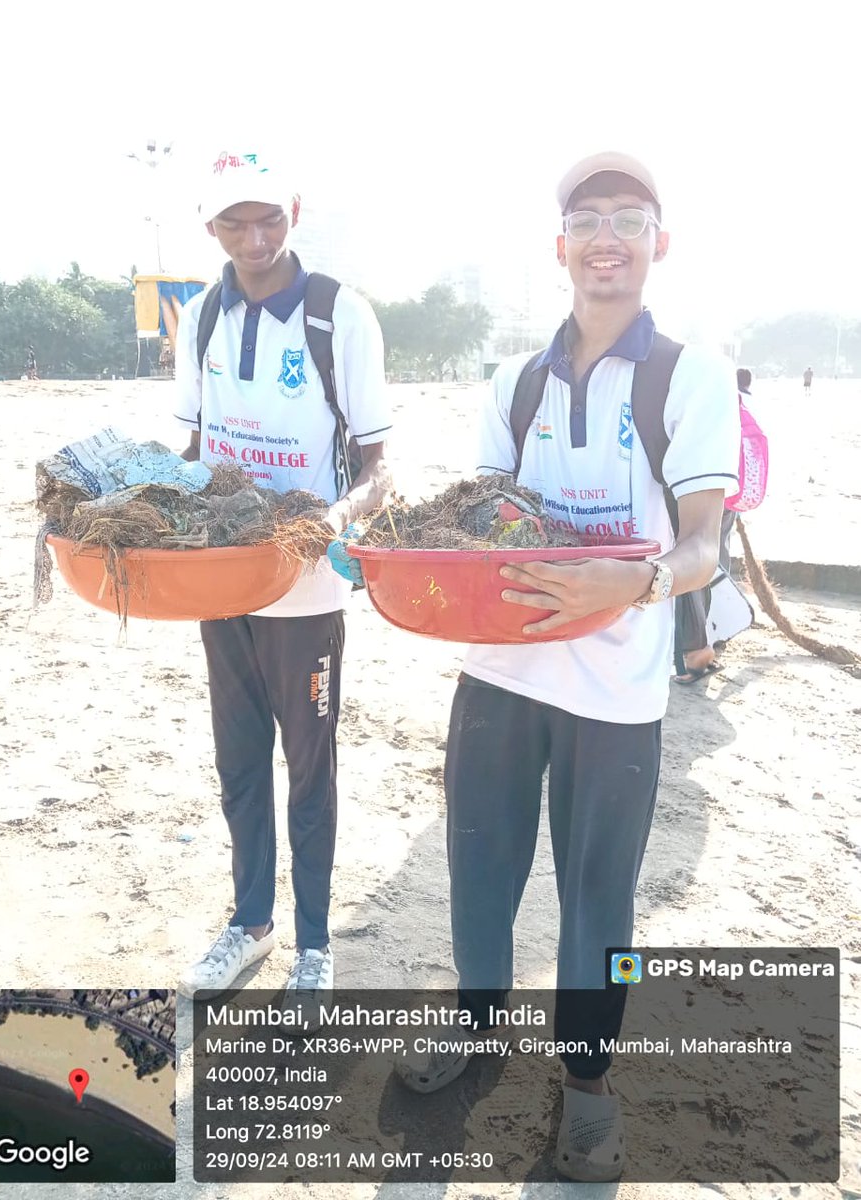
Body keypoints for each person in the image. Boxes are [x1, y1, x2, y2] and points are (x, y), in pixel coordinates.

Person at [394, 152, 740, 1182]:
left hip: (618, 690)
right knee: (477, 872)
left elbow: (702, 548)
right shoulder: (514, 381)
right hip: (500, 677)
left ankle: (588, 1088)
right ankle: (474, 1027)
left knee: (603, 897)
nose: (607, 235)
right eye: (587, 217)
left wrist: (623, 591)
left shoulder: (690, 374)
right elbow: (476, 522)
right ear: (559, 248)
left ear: (657, 244)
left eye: (629, 218)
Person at [174, 150, 392, 1005]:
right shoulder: (200, 319)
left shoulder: (341, 317)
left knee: (309, 764)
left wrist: (335, 521)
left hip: (306, 590)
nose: (255, 238)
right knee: (237, 757)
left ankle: (312, 943)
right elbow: (194, 454)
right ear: (212, 228)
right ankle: (250, 921)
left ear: (294, 212)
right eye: (236, 223)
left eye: (270, 219)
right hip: (221, 582)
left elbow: (379, 469)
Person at [672, 365, 752, 682]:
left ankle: (698, 649)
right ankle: (709, 633)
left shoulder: (697, 400)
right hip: (727, 493)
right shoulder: (740, 401)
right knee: (716, 559)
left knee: (692, 568)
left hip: (697, 495)